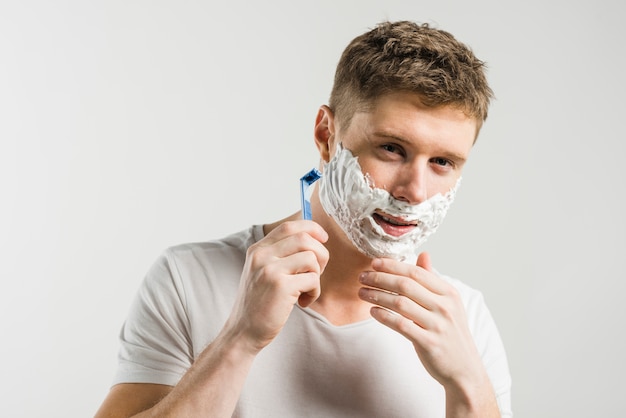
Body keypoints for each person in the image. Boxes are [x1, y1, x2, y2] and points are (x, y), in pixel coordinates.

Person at [95, 20, 512, 418]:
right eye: (390, 148)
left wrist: (468, 385)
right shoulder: (189, 279)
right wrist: (239, 338)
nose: (414, 190)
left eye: (442, 162)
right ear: (326, 136)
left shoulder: (466, 320)